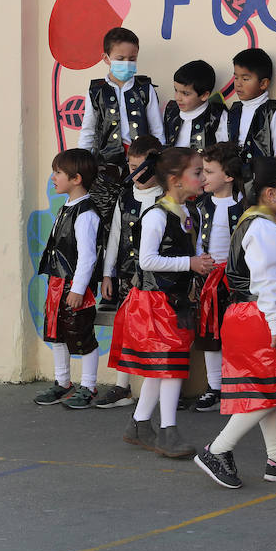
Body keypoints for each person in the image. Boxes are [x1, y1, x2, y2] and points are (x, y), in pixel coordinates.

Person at [194, 157, 276, 490]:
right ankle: (217, 449)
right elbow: (265, 282)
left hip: (247, 314)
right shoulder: (264, 227)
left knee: (269, 389)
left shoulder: (255, 220)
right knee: (265, 390)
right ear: (271, 193)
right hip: (257, 315)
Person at [112, 148, 216, 458]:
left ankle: (140, 424)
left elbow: (189, 252)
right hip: (155, 301)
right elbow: (147, 260)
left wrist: (198, 268)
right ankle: (167, 431)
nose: (202, 178)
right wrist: (190, 264)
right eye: (197, 173)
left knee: (163, 368)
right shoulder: (157, 216)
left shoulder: (190, 212)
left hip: (175, 300)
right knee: (170, 369)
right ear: (175, 180)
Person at [92, 134, 164, 409]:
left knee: (157, 331)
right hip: (127, 277)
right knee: (127, 330)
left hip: (158, 279)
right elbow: (115, 236)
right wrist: (108, 273)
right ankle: (122, 387)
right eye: (131, 167)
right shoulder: (125, 197)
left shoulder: (166, 198)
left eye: (141, 167)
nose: (135, 173)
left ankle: (164, 387)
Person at [33, 149, 102, 409]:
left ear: (76, 179)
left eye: (58, 172)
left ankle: (89, 386)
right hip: (57, 285)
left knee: (82, 335)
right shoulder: (67, 208)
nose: (53, 177)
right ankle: (62, 382)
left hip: (73, 286)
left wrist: (78, 288)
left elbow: (87, 257)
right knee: (57, 334)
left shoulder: (85, 213)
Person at [190, 142, 245, 412]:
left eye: (209, 172)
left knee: (236, 335)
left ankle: (236, 385)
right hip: (208, 279)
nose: (203, 178)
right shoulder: (200, 206)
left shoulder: (245, 205)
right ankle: (215, 387)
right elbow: (196, 238)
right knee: (210, 334)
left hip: (235, 281)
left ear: (229, 176)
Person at [78, 27, 162, 170]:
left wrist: (159, 160)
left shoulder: (146, 90)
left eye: (132, 59)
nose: (127, 62)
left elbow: (157, 130)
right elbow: (88, 129)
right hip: (104, 164)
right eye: (120, 58)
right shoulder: (96, 91)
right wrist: (81, 162)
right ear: (106, 58)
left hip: (142, 163)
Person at [217, 47, 276, 191]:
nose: (238, 83)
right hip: (233, 185)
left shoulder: (273, 112)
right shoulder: (232, 112)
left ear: (263, 84)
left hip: (261, 184)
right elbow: (221, 147)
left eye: (245, 78)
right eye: (236, 77)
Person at [163, 59, 222, 150]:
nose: (178, 97)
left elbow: (222, 153)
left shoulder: (218, 116)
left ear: (204, 95)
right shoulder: (171, 110)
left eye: (185, 93)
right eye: (176, 90)